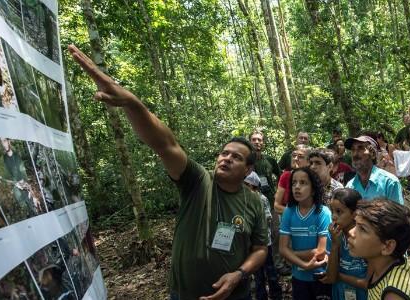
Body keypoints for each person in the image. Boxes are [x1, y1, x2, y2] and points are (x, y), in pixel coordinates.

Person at [68, 45, 269, 300]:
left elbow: (261, 248)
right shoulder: (198, 180)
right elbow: (166, 144)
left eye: (236, 157)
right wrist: (133, 103)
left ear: (248, 168)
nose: (226, 158)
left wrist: (239, 274)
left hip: (235, 295)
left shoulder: (252, 201)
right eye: (224, 153)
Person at [348, 199, 410, 299]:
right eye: (355, 224)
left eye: (363, 229)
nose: (351, 232)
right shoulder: (388, 260)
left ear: (388, 246)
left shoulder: (393, 294)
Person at [279, 167, 332, 299]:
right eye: (294, 183)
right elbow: (282, 249)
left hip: (320, 276)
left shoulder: (323, 212)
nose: (297, 187)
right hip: (299, 277)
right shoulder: (288, 211)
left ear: (313, 189)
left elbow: (321, 252)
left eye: (303, 183)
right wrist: (304, 264)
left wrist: (291, 254)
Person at [319, 188, 368, 300]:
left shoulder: (366, 238)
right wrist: (335, 244)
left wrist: (338, 276)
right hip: (340, 292)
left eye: (339, 211)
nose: (333, 216)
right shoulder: (333, 236)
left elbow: (367, 283)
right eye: (332, 211)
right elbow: (331, 278)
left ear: (355, 214)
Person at [243, 172, 282, 300]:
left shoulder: (262, 198)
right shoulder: (242, 198)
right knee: (258, 274)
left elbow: (267, 218)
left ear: (253, 186)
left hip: (265, 243)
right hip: (251, 244)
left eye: (246, 184)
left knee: (270, 271)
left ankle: (276, 295)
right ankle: (261, 296)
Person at [344, 135, 404, 204]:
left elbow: (398, 214)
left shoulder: (389, 183)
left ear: (372, 154)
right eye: (353, 150)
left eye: (360, 148)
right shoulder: (349, 186)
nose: (355, 154)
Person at [274, 144, 312, 214]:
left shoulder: (313, 178)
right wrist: (297, 214)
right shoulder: (286, 176)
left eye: (300, 157)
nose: (295, 159)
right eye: (294, 155)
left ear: (309, 161)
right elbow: (276, 206)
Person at [249, 130, 281, 203]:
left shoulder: (270, 160)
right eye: (253, 140)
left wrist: (278, 192)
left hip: (270, 200)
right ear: (249, 142)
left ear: (263, 143)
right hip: (251, 201)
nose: (257, 142)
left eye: (259, 140)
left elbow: (281, 175)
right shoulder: (244, 161)